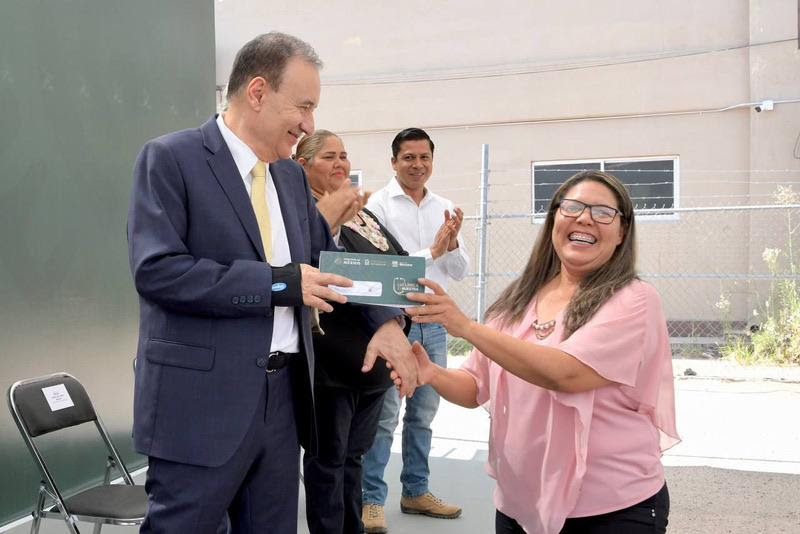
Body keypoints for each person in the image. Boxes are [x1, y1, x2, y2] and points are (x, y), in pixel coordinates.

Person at [127, 33, 418, 534]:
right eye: (303, 107)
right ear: (258, 92)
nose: (309, 125)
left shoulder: (287, 177)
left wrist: (386, 323)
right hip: (200, 406)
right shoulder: (171, 159)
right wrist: (279, 284)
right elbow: (158, 270)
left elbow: (326, 260)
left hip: (284, 403)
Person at [403, 170, 680, 534]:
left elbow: (565, 373)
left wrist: (466, 327)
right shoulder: (520, 298)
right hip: (519, 504)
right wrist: (432, 374)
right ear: (554, 221)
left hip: (612, 507)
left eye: (603, 212)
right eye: (573, 207)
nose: (585, 218)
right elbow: (474, 386)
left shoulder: (634, 299)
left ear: (622, 232)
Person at [293, 130, 412, 533]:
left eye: (344, 155)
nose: (341, 163)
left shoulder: (364, 215)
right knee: (328, 458)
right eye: (329, 156)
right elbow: (337, 272)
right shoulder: (302, 217)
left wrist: (407, 301)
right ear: (302, 165)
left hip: (373, 365)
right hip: (332, 361)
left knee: (354, 456)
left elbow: (398, 263)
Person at [362, 127, 468, 532]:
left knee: (424, 415)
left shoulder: (445, 207)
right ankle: (371, 499)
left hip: (433, 323)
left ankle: (416, 491)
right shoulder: (377, 206)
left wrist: (451, 244)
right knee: (385, 416)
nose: (417, 165)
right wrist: (433, 251)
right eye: (408, 157)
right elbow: (386, 271)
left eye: (424, 157)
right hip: (396, 324)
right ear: (394, 162)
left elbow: (459, 270)